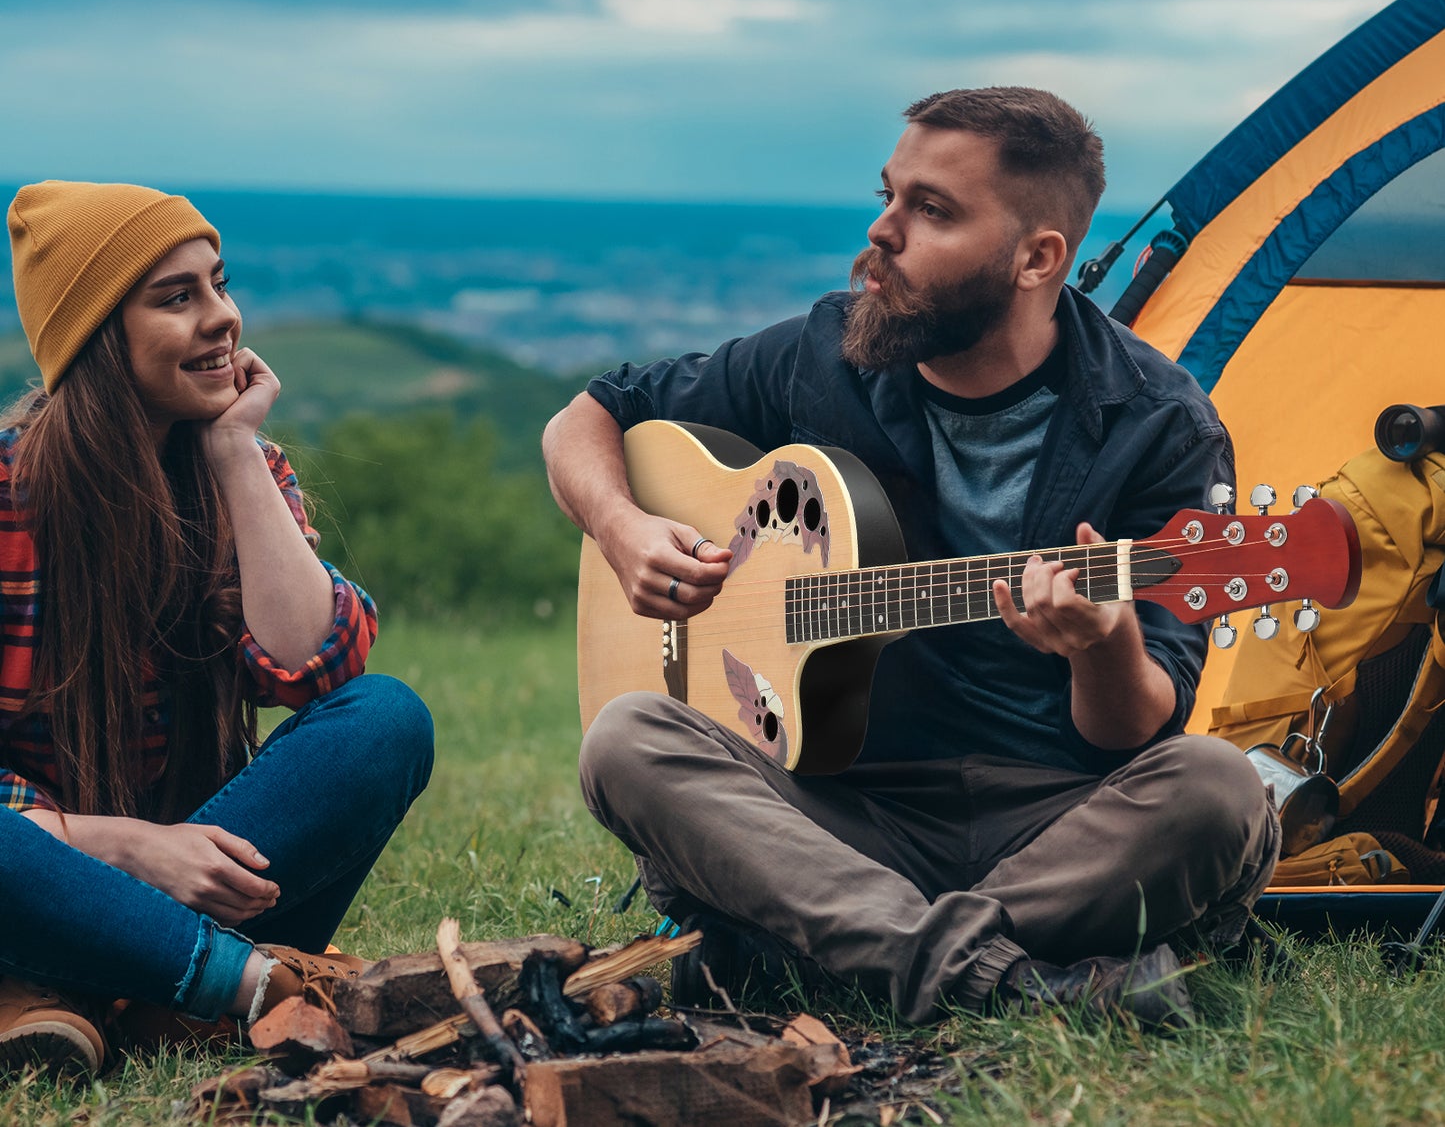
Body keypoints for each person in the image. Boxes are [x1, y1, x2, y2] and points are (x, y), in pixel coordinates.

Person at [544, 86, 1280, 1029]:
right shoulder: (821, 356)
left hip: (1051, 822)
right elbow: (588, 417)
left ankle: (832, 946)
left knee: (1216, 789)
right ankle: (1011, 980)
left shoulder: (1159, 426)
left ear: (1036, 258)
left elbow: (1130, 730)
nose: (881, 231)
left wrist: (1102, 644)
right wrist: (622, 528)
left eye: (930, 210)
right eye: (888, 195)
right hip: (833, 814)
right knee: (627, 739)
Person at [0, 182, 435, 1075]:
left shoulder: (243, 469)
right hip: (37, 869)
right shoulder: (10, 496)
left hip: (215, 864)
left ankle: (65, 990)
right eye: (176, 297)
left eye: (219, 284)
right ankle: (237, 986)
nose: (222, 317)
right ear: (94, 338)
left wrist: (236, 452)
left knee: (385, 719)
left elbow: (313, 666)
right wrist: (128, 846)